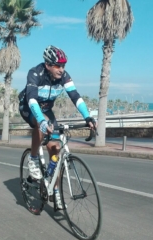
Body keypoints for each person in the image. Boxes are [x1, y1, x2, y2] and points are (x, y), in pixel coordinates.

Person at [19, 45, 96, 209]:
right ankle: (33, 159)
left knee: (55, 149)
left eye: (63, 66)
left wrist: (87, 116)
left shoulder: (64, 77)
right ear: (47, 65)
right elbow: (32, 99)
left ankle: (56, 191)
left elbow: (75, 96)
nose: (61, 69)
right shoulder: (35, 73)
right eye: (58, 66)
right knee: (41, 124)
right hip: (28, 108)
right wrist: (40, 120)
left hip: (46, 110)